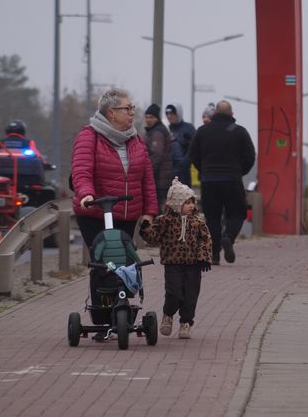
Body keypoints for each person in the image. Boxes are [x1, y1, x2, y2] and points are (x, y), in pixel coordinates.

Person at [71, 88, 158, 340]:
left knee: (123, 261)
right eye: (127, 108)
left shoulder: (135, 140)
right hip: (95, 211)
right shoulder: (90, 137)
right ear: (111, 112)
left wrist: (150, 211)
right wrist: (86, 194)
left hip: (127, 213)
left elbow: (147, 179)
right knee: (103, 263)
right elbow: (81, 170)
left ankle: (121, 307)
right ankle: (100, 319)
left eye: (133, 108)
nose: (132, 113)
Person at [140, 178, 212, 339]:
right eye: (187, 203)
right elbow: (154, 237)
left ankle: (186, 322)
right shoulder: (164, 221)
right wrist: (145, 230)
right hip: (172, 263)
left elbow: (205, 239)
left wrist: (204, 257)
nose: (191, 206)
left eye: (192, 202)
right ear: (176, 204)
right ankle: (168, 314)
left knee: (191, 295)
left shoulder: (198, 222)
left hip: (193, 264)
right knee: (174, 293)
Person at [189, 100, 256, 265]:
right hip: (232, 179)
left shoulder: (202, 132)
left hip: (209, 180)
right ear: (232, 114)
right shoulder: (240, 132)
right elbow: (250, 156)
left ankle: (214, 255)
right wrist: (240, 171)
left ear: (214, 114)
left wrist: (204, 170)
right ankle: (228, 237)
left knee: (212, 217)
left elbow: (193, 155)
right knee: (238, 213)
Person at [144, 103, 181, 208]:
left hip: (159, 179)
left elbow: (157, 155)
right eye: (146, 117)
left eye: (151, 117)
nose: (148, 120)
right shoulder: (153, 131)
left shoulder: (157, 133)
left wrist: (146, 171)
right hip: (160, 179)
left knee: (158, 208)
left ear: (157, 118)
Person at [165, 102, 196, 186]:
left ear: (178, 113)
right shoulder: (166, 129)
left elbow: (193, 149)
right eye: (167, 114)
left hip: (184, 174)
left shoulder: (189, 128)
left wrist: (182, 165)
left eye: (172, 113)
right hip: (169, 174)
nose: (169, 116)